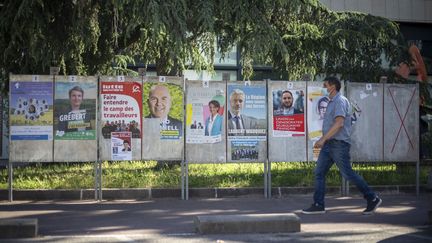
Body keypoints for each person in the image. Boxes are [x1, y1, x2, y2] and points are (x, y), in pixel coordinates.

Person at [302, 76, 382, 215]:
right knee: (319, 173)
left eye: (325, 85)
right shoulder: (332, 101)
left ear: (333, 87)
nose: (324, 88)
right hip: (329, 145)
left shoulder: (340, 101)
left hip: (338, 144)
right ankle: (318, 204)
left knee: (348, 174)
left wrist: (322, 139)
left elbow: (339, 123)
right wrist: (325, 140)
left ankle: (372, 198)